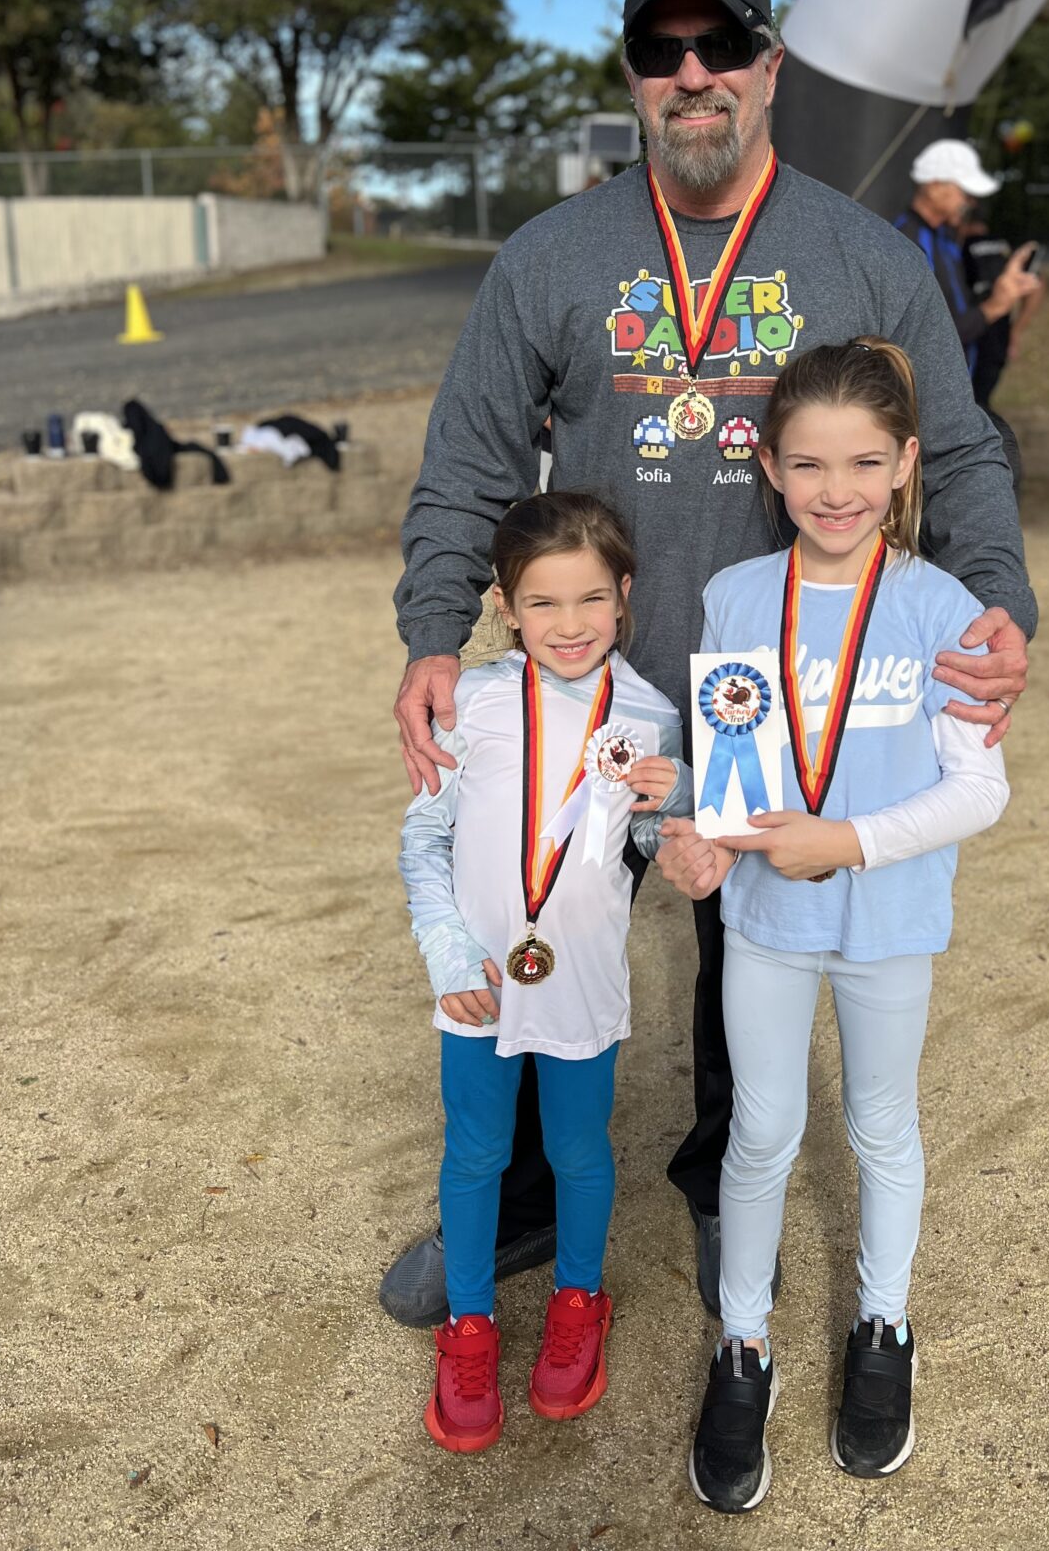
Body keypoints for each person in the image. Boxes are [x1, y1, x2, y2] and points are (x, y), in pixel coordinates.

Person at [384, 0, 1037, 1331]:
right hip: (583, 688)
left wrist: (998, 605)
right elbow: (469, 460)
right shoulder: (553, 256)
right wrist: (436, 630)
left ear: (769, 66)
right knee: (532, 919)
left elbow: (963, 449)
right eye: (660, 50)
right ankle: (516, 1201)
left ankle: (725, 1182)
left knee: (755, 948)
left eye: (720, 45)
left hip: (781, 693)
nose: (693, 75)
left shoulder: (861, 256)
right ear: (633, 77)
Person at [657, 340, 1010, 1512]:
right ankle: (743, 1343)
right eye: (809, 464)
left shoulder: (942, 607)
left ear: (905, 463)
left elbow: (981, 791)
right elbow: (731, 770)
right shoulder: (735, 596)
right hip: (766, 916)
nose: (837, 489)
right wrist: (706, 841)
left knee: (879, 1127)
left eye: (864, 462)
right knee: (761, 1131)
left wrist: (847, 842)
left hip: (890, 918)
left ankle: (883, 1326)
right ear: (768, 466)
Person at [400, 491, 690, 1452]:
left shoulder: (648, 715)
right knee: (476, 1153)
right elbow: (424, 841)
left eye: (591, 598)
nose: (570, 624)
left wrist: (676, 801)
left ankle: (578, 1300)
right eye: (543, 603)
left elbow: (648, 846)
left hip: (581, 982)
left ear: (625, 594)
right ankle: (469, 1324)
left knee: (578, 1150)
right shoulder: (472, 701)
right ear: (505, 606)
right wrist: (448, 953)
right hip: (478, 977)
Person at [894, 139, 1045, 411]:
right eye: (964, 193)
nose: (970, 203)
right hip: (924, 403)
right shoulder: (908, 241)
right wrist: (995, 305)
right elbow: (930, 335)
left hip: (953, 395)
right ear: (934, 186)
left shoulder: (943, 238)